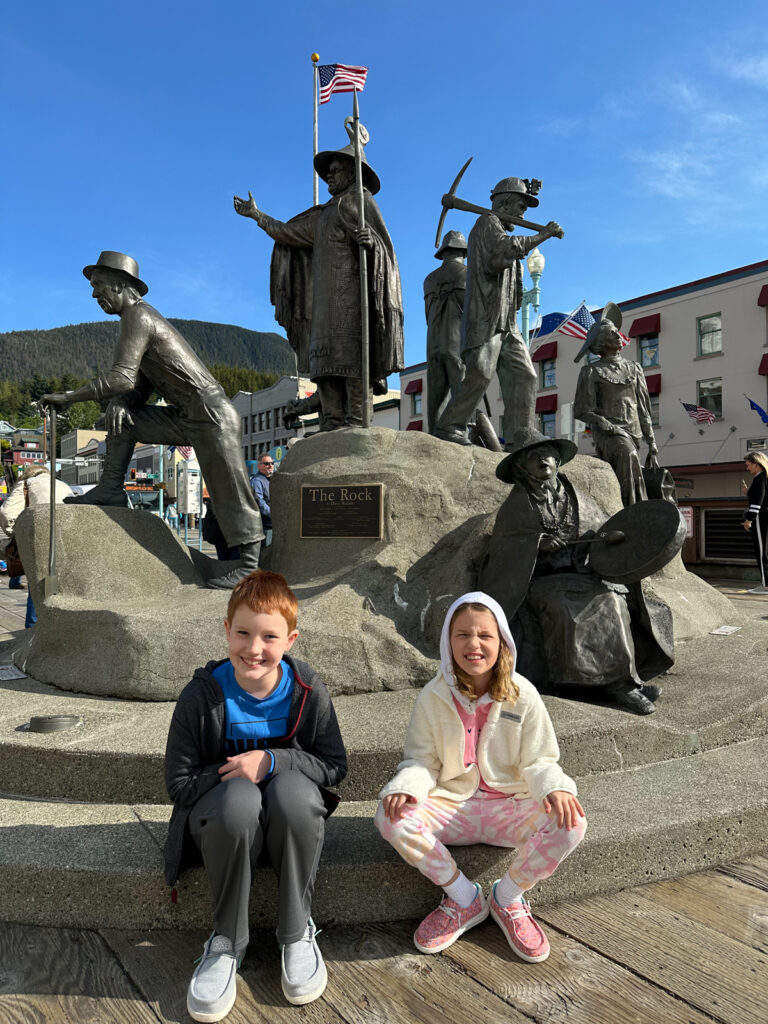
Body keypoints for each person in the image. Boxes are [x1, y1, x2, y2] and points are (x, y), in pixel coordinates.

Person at [164, 570, 347, 1019]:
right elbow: (179, 783)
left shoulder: (306, 689)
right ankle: (226, 941)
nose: (254, 648)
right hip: (227, 821)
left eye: (269, 636)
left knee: (291, 793)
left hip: (289, 817)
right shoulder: (201, 696)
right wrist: (236, 776)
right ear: (226, 631)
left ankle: (296, 931)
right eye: (243, 633)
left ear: (291, 640)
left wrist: (272, 761)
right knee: (241, 798)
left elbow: (334, 766)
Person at [375, 592, 585, 962]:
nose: (474, 644)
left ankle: (507, 899)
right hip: (454, 806)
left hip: (511, 807)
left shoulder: (524, 695)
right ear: (447, 641)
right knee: (388, 818)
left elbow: (539, 760)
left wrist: (555, 787)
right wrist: (407, 787)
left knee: (572, 822)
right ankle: (464, 899)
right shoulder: (432, 696)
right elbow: (422, 761)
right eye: (462, 635)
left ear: (501, 640)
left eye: (485, 636)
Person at [39, 251, 264, 589]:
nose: (94, 294)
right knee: (123, 419)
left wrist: (69, 397)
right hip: (186, 416)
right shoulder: (134, 321)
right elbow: (136, 387)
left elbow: (122, 378)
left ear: (120, 283)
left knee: (228, 489)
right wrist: (120, 403)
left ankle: (249, 565)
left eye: (98, 285)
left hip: (211, 414)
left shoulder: (139, 317)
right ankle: (111, 488)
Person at [479, 428, 673, 715]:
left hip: (583, 576)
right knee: (564, 610)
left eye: (547, 454)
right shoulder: (517, 505)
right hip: (542, 582)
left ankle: (625, 680)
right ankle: (605, 685)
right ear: (521, 467)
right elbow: (503, 551)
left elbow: (603, 530)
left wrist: (611, 540)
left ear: (558, 461)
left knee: (614, 602)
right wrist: (537, 546)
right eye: (534, 457)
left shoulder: (576, 495)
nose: (542, 460)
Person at [234, 124, 403, 431]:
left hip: (353, 310)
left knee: (354, 374)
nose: (329, 176)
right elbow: (286, 232)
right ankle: (330, 430)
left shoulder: (361, 203)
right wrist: (257, 215)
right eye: (328, 172)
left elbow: (386, 251)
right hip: (324, 314)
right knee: (326, 374)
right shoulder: (322, 214)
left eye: (336, 170)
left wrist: (371, 243)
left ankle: (356, 434)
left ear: (352, 173)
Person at [434, 178, 563, 448]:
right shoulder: (487, 224)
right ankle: (449, 425)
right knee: (480, 372)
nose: (522, 214)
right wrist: (543, 235)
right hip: (487, 318)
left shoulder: (498, 228)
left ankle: (522, 436)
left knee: (525, 375)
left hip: (508, 322)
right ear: (503, 203)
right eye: (519, 206)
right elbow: (502, 254)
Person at [573, 303, 658, 506]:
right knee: (628, 456)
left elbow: (644, 408)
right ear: (602, 342)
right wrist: (601, 422)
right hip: (609, 432)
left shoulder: (635, 368)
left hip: (633, 430)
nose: (618, 336)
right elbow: (581, 410)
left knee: (628, 466)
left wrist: (652, 442)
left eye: (617, 332)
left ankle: (624, 507)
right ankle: (634, 511)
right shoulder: (591, 372)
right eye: (612, 334)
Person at [0, 465, 73, 627]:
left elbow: (6, 512)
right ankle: (55, 629)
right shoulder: (63, 485)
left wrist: (15, 533)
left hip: (40, 537)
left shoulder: (27, 483)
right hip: (65, 539)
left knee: (38, 584)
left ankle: (32, 631)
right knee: (58, 586)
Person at [424, 231, 467, 433]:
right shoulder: (468, 275)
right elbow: (473, 313)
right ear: (463, 252)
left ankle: (435, 434)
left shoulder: (429, 279)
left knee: (435, 396)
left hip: (432, 343)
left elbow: (427, 316)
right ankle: (458, 433)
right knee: (462, 392)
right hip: (457, 342)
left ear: (443, 253)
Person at [742, 451, 768, 594]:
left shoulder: (759, 479)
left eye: (748, 465)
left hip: (761, 518)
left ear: (756, 464)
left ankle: (765, 585)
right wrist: (749, 492)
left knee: (761, 550)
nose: (747, 468)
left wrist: (748, 520)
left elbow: (758, 503)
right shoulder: (765, 478)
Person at [250, 454, 274, 546]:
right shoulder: (257, 481)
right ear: (259, 466)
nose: (270, 465)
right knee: (265, 554)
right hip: (265, 526)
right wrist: (273, 515)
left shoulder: (270, 479)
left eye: (272, 463)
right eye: (266, 463)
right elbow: (260, 502)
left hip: (272, 524)